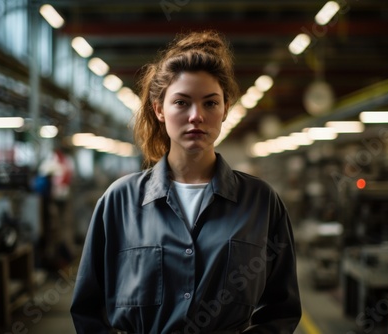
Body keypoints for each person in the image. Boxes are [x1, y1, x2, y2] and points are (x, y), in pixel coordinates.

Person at [70, 30, 301, 334]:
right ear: (159, 110)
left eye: (210, 103)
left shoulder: (261, 202)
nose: (196, 117)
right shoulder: (120, 201)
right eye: (181, 103)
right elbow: (87, 310)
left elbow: (282, 310)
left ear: (225, 110)